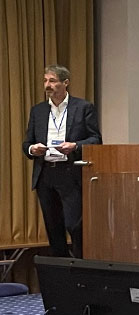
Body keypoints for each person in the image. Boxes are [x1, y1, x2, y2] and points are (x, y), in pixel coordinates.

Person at [22, 65, 102, 258]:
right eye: (45, 81)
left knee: (75, 225)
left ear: (66, 83)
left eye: (52, 81)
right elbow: (27, 143)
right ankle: (62, 271)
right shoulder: (38, 111)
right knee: (53, 228)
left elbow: (96, 139)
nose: (47, 85)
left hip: (70, 173)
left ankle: (81, 267)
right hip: (46, 174)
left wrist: (75, 146)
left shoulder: (83, 107)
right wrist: (33, 149)